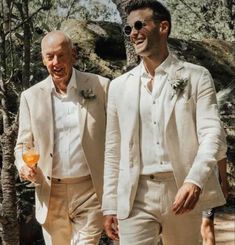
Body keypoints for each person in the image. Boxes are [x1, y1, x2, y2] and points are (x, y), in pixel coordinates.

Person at [102, 1, 227, 244]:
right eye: (128, 29)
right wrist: (109, 205)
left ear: (163, 27)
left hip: (182, 189)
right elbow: (112, 149)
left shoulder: (196, 76)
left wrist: (195, 180)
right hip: (135, 194)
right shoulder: (118, 87)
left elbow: (212, 133)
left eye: (140, 25)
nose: (133, 33)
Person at [14, 30, 109, 245]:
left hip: (90, 190)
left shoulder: (100, 87)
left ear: (73, 54)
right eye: (50, 56)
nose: (56, 62)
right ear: (43, 59)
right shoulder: (30, 97)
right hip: (50, 191)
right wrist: (22, 165)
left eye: (61, 55)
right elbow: (22, 144)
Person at [201, 158, 229, 245]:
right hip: (181, 183)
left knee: (206, 224)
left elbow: (221, 155)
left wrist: (224, 182)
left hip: (208, 186)